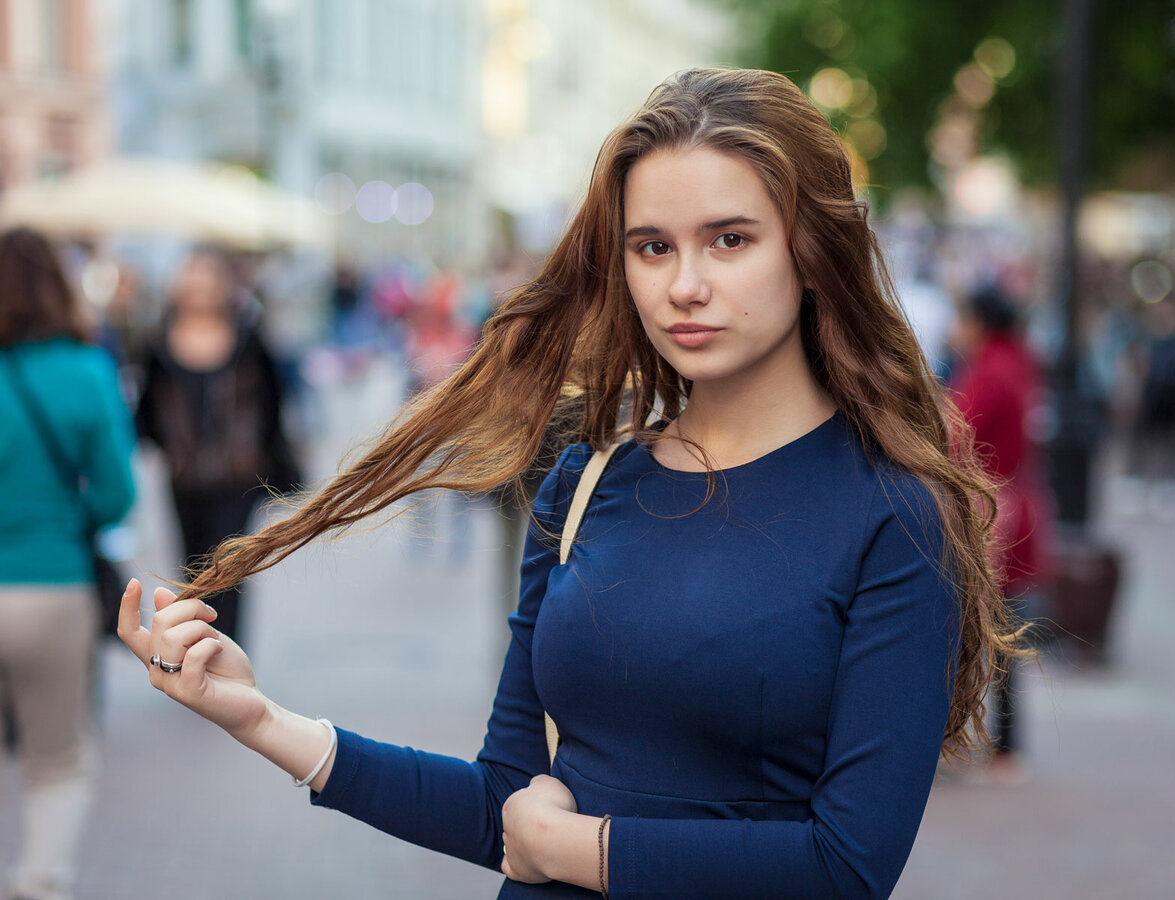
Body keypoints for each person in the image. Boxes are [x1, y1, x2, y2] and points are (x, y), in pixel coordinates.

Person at [118, 68, 1020, 898]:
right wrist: (259, 718)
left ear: (812, 249)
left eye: (730, 239)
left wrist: (576, 851)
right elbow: (501, 804)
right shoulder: (589, 482)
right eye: (652, 247)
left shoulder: (894, 513)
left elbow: (845, 867)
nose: (685, 285)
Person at [0, 227, 136, 900]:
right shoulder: (85, 372)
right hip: (52, 586)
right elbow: (118, 495)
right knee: (56, 757)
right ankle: (37, 882)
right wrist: (67, 518)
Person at [134, 250, 300, 646]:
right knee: (192, 567)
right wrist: (169, 447)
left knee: (230, 567)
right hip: (185, 477)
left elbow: (274, 400)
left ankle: (228, 649)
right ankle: (197, 646)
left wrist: (264, 453)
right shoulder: (159, 343)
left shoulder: (248, 338)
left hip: (237, 476)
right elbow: (147, 410)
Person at [948, 284, 1054, 784]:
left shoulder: (989, 371)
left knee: (976, 629)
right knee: (1006, 630)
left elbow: (952, 436)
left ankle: (977, 742)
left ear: (980, 323)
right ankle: (1007, 746)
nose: (955, 328)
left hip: (992, 515)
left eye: (962, 318)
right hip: (1015, 507)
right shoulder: (1018, 363)